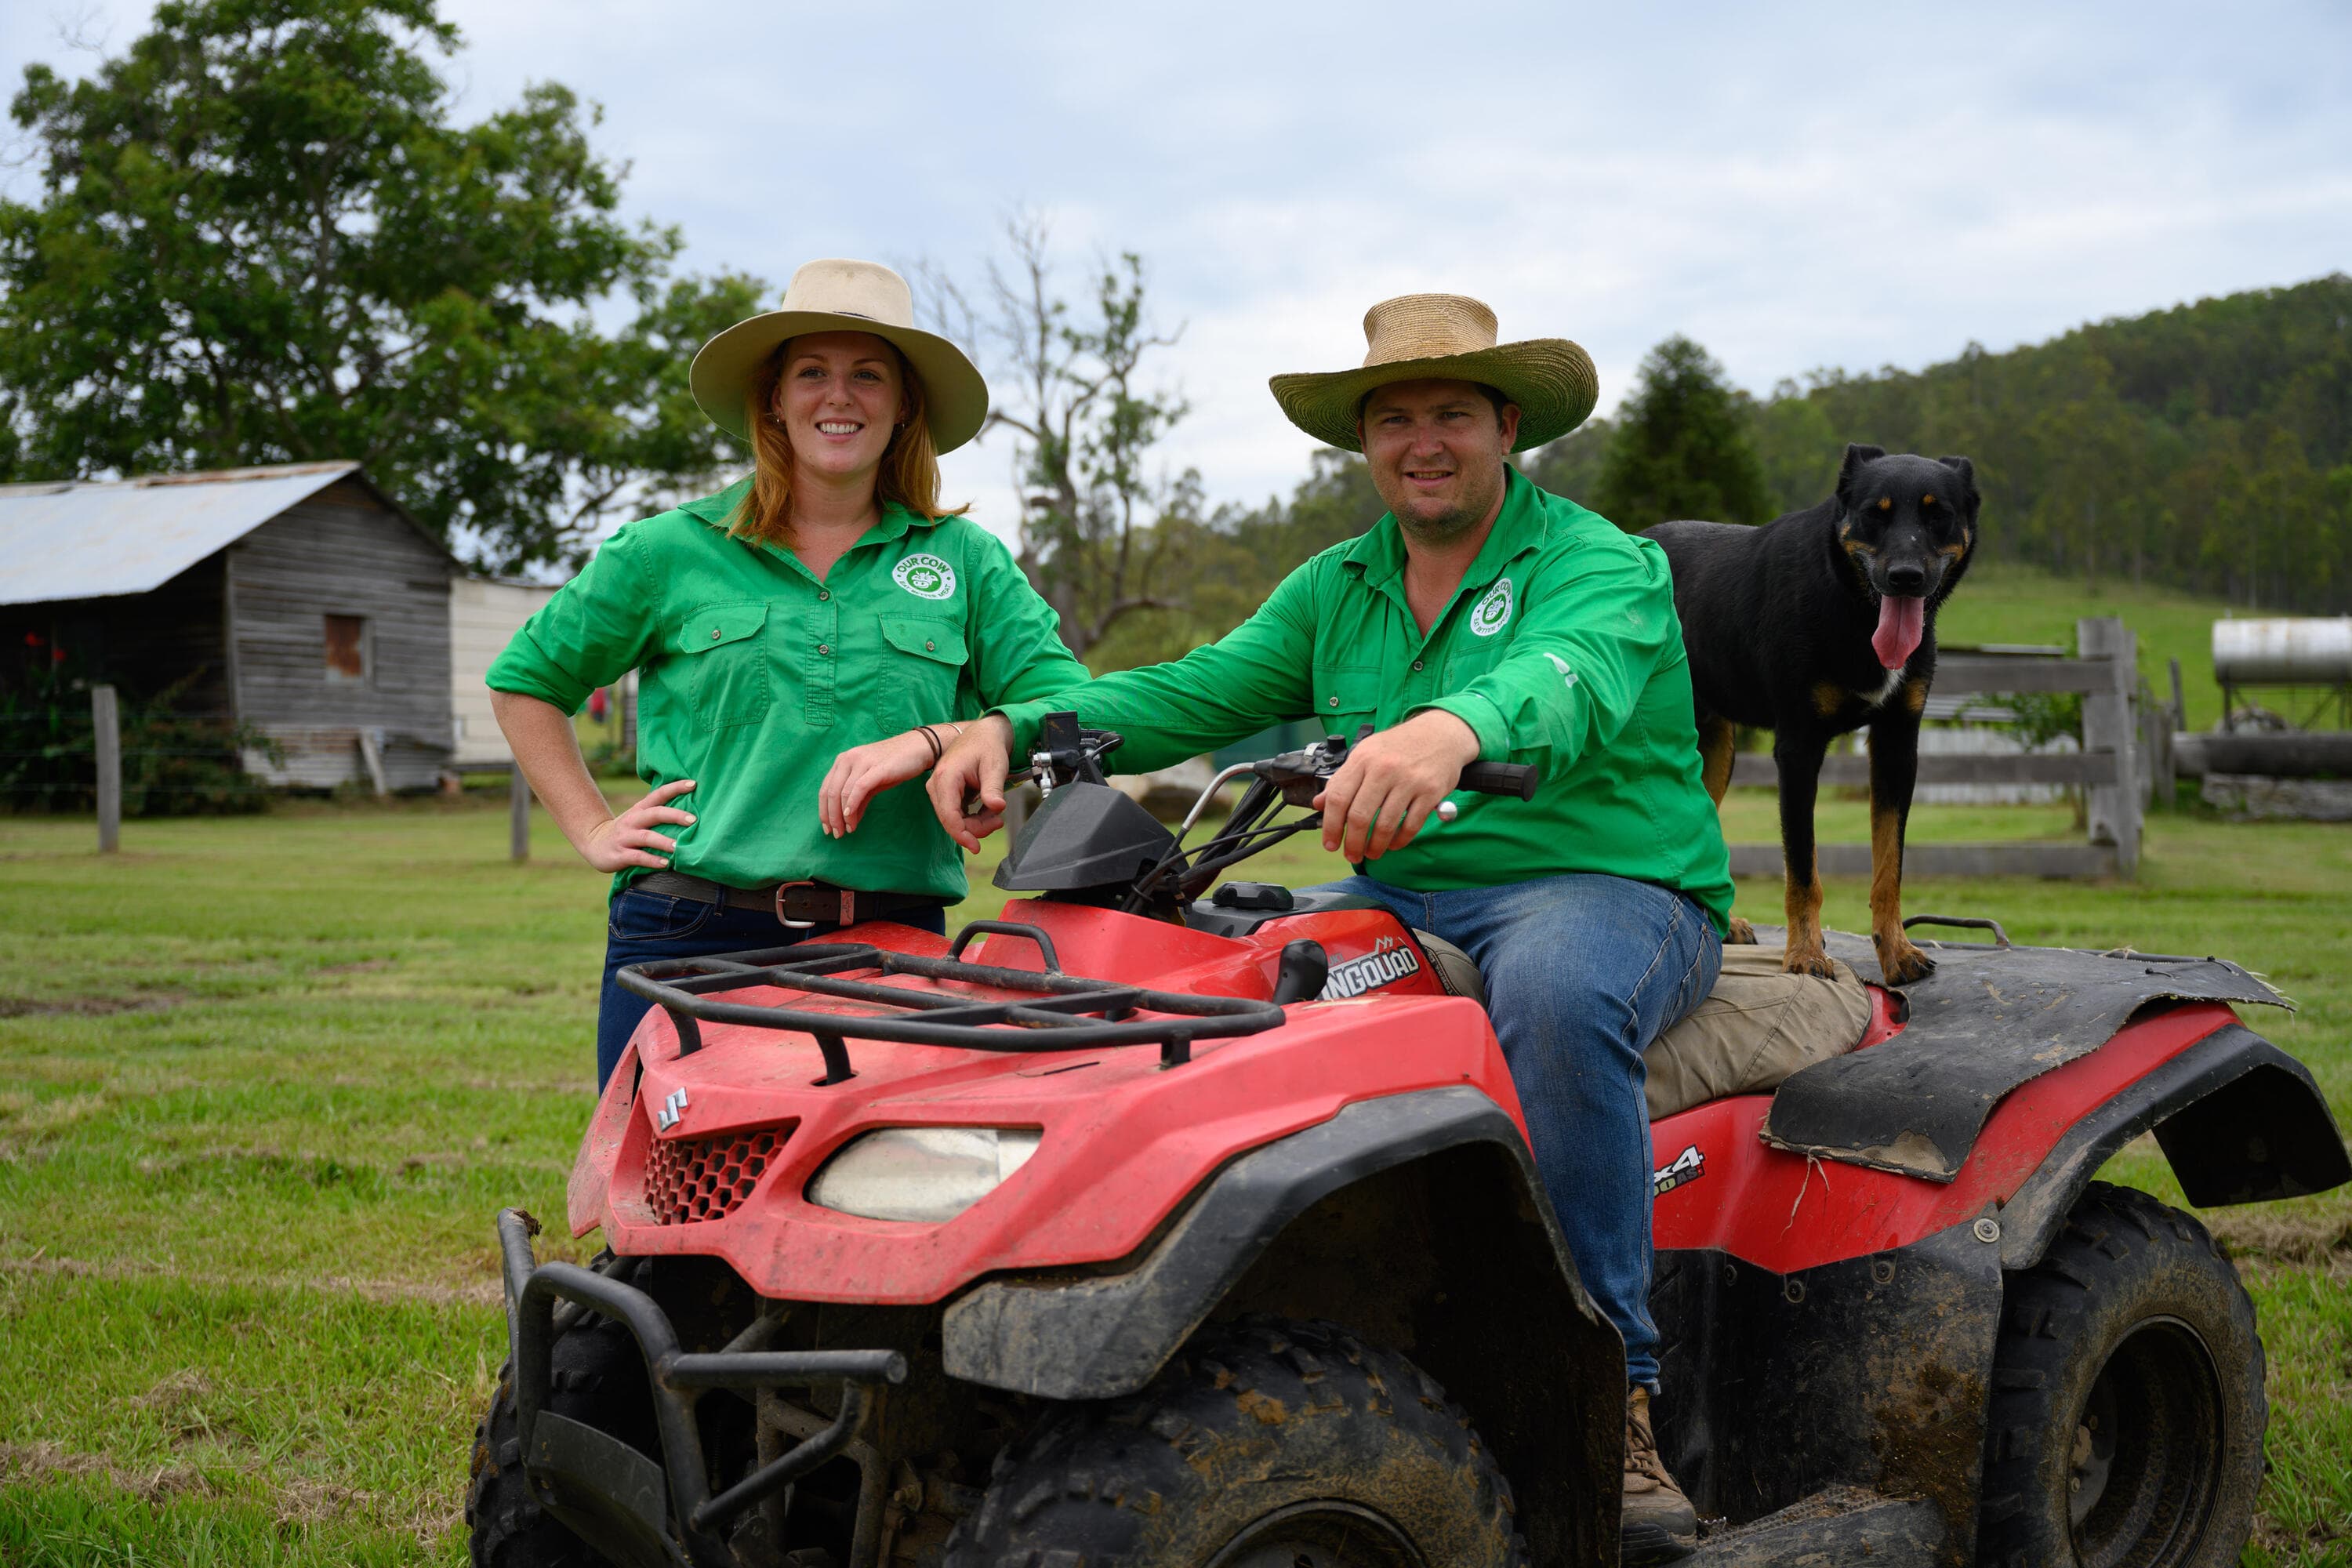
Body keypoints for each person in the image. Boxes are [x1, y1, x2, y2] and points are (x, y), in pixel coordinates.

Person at [925, 293, 1733, 1562]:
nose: (1423, 440)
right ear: (1365, 441)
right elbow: (1193, 690)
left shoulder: (1598, 564)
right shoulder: (1338, 586)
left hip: (1607, 885)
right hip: (1396, 889)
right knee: (1234, 987)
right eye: (1395, 417)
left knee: (1558, 1004)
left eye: (1451, 414)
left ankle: (1618, 1391)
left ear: (1506, 425)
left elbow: (1565, 680)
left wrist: (1447, 730)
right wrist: (1014, 728)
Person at [488, 259, 1087, 1092]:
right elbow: (525, 682)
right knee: (668, 1202)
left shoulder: (965, 561)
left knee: (883, 1195)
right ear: (772, 397)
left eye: (867, 375)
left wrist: (944, 740)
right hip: (688, 931)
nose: (837, 396)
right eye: (812, 372)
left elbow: (1072, 707)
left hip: (891, 941)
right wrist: (592, 827)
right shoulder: (668, 551)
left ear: (904, 402)